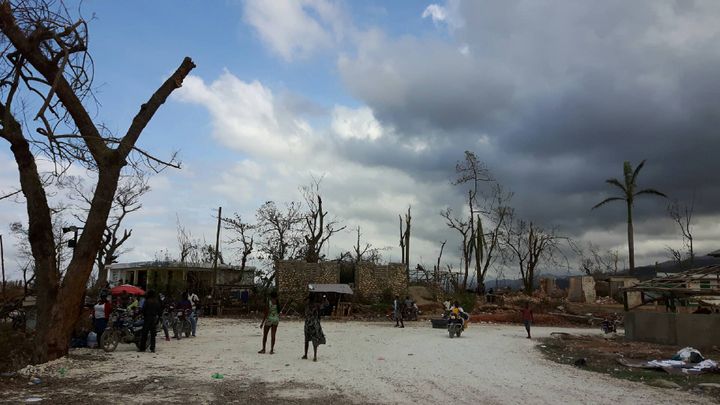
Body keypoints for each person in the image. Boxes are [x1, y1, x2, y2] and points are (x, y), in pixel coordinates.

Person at [302, 294, 326, 361]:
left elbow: (303, 302)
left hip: (307, 323)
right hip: (314, 324)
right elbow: (324, 305)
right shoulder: (316, 305)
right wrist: (324, 299)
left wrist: (307, 297)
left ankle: (305, 355)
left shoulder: (307, 305)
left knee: (306, 340)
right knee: (314, 340)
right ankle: (315, 356)